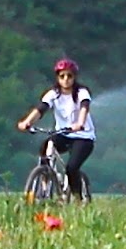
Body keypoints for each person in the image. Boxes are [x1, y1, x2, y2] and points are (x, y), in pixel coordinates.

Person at [15, 58, 95, 197]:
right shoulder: (53, 94)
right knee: (45, 149)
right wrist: (27, 122)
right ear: (57, 77)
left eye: (69, 76)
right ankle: (46, 180)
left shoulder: (82, 92)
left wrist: (79, 123)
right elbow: (41, 109)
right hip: (63, 134)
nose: (66, 79)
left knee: (72, 168)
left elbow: (84, 107)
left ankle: (77, 199)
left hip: (83, 137)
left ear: (74, 77)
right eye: (62, 76)